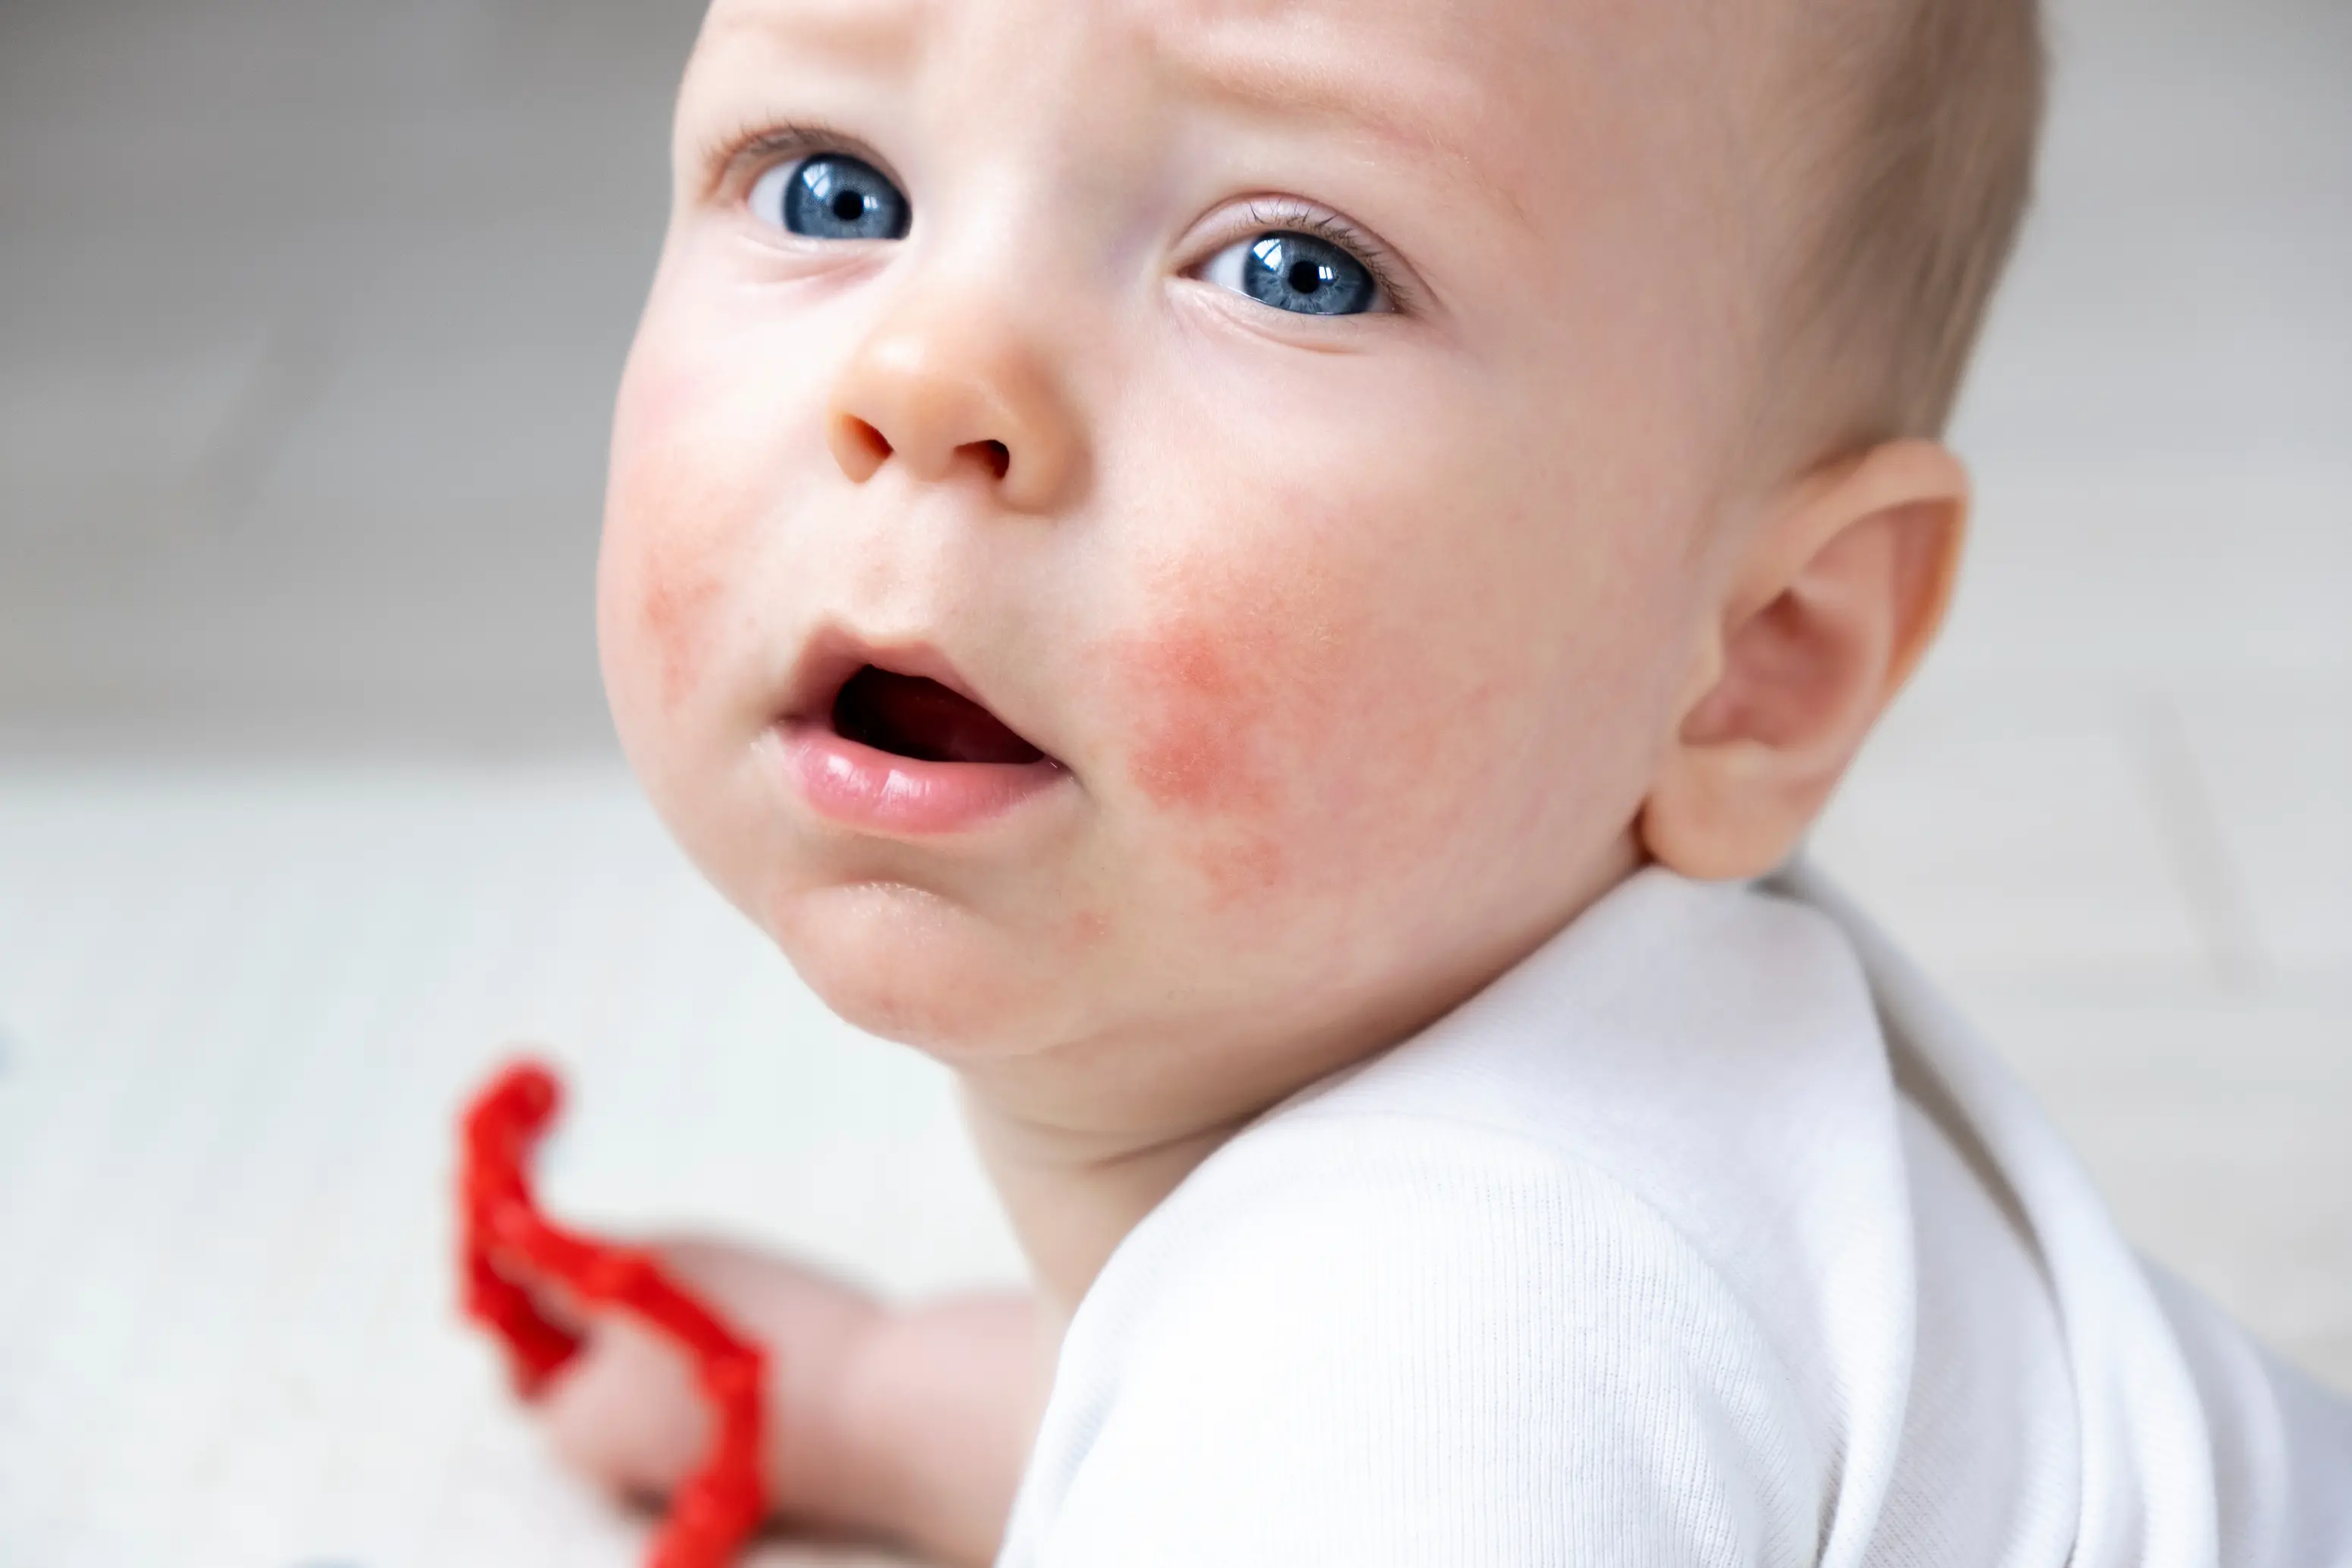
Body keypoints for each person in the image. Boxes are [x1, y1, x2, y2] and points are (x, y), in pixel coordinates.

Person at [523, 0, 2352, 1561]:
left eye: (1292, 270)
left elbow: (1382, 1422)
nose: (925, 374)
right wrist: (870, 1388)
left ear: (1761, 650)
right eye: (834, 187)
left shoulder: (1466, 1316)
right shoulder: (1509, 1193)